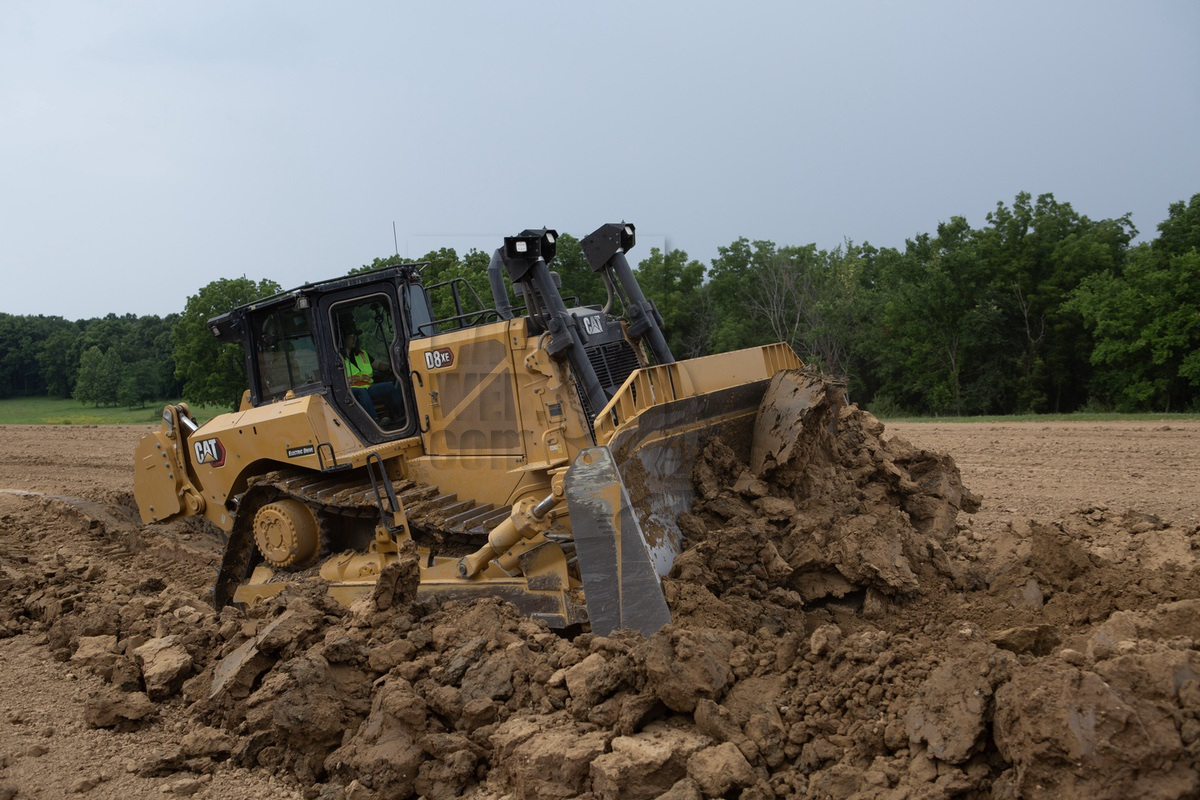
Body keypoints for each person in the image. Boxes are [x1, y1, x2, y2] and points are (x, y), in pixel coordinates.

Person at [342, 330, 406, 424]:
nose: (354, 338)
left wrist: (393, 366)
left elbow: (378, 365)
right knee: (361, 392)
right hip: (351, 391)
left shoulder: (362, 354)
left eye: (355, 336)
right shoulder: (338, 359)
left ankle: (400, 415)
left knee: (391, 386)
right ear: (343, 338)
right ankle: (376, 422)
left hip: (368, 387)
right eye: (352, 335)